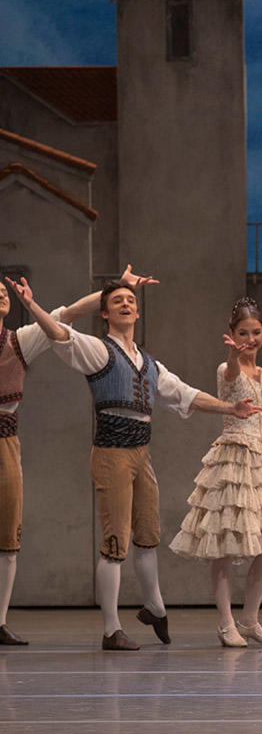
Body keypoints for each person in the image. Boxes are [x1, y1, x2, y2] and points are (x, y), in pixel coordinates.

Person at [42, 279, 262, 650]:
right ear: (105, 312)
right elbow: (58, 330)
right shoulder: (99, 351)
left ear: (139, 311)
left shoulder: (149, 363)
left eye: (131, 299)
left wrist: (230, 408)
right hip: (111, 453)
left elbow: (186, 394)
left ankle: (155, 607)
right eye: (117, 301)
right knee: (115, 542)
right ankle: (111, 629)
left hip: (141, 455)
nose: (127, 304)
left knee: (148, 536)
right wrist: (32, 307)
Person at [0, 267, 151, 645]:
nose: (1, 294)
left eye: (0, 291)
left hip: (5, 439)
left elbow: (63, 317)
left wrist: (116, 286)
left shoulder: (17, 342)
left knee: (8, 535)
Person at [169, 297, 262, 647]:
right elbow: (231, 374)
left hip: (261, 461)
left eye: (255, 332)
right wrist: (231, 354)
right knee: (224, 543)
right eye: (243, 333)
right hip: (233, 459)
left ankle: (249, 618)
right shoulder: (227, 369)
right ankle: (226, 624)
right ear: (231, 334)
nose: (250, 339)